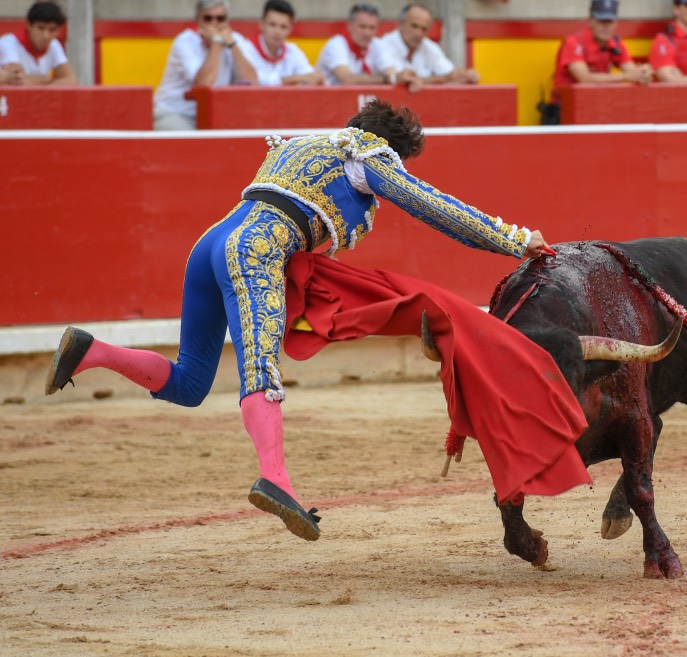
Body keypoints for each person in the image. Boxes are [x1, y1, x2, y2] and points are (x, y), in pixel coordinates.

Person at [45, 99, 586, 544]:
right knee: (260, 369)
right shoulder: (366, 153)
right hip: (256, 247)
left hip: (210, 243)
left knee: (189, 383)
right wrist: (513, 239)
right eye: (401, 159)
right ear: (386, 145)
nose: (398, 168)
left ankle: (92, 352)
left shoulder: (301, 143)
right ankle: (275, 479)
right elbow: (434, 207)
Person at [153, 0, 258, 131]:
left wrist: (232, 45)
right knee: (192, 144)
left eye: (220, 18)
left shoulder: (235, 40)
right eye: (208, 18)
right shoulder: (185, 42)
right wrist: (216, 41)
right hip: (175, 113)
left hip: (215, 116)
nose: (214, 23)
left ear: (227, 21)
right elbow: (204, 84)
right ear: (198, 21)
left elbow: (252, 81)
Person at [541, 0, 650, 125]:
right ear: (590, 21)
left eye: (610, 21)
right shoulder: (574, 42)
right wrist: (626, 76)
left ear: (616, 23)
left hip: (596, 110)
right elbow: (585, 79)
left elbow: (632, 71)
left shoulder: (615, 43)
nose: (605, 26)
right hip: (563, 113)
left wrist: (643, 74)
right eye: (601, 21)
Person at [372, 3, 479, 93]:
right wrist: (443, 79)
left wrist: (466, 76)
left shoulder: (430, 47)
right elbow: (402, 80)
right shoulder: (383, 44)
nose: (418, 33)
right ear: (401, 24)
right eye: (414, 26)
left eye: (424, 29)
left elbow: (452, 75)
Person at [240, 0, 324, 86]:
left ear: (290, 30)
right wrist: (295, 79)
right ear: (261, 25)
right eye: (272, 25)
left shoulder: (292, 50)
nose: (277, 31)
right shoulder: (245, 49)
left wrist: (315, 79)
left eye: (283, 27)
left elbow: (309, 76)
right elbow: (254, 80)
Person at [0, 1, 77, 86]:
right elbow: (17, 79)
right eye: (41, 28)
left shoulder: (54, 44)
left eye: (52, 30)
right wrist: (47, 79)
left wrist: (44, 89)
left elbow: (71, 80)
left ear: (58, 31)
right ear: (29, 26)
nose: (46, 36)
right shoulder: (8, 43)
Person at [315, 4, 393, 86]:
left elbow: (391, 72)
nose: (367, 33)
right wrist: (387, 79)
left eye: (372, 28)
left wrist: (393, 77)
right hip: (329, 98)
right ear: (349, 25)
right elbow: (348, 79)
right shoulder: (336, 45)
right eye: (362, 27)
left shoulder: (377, 44)